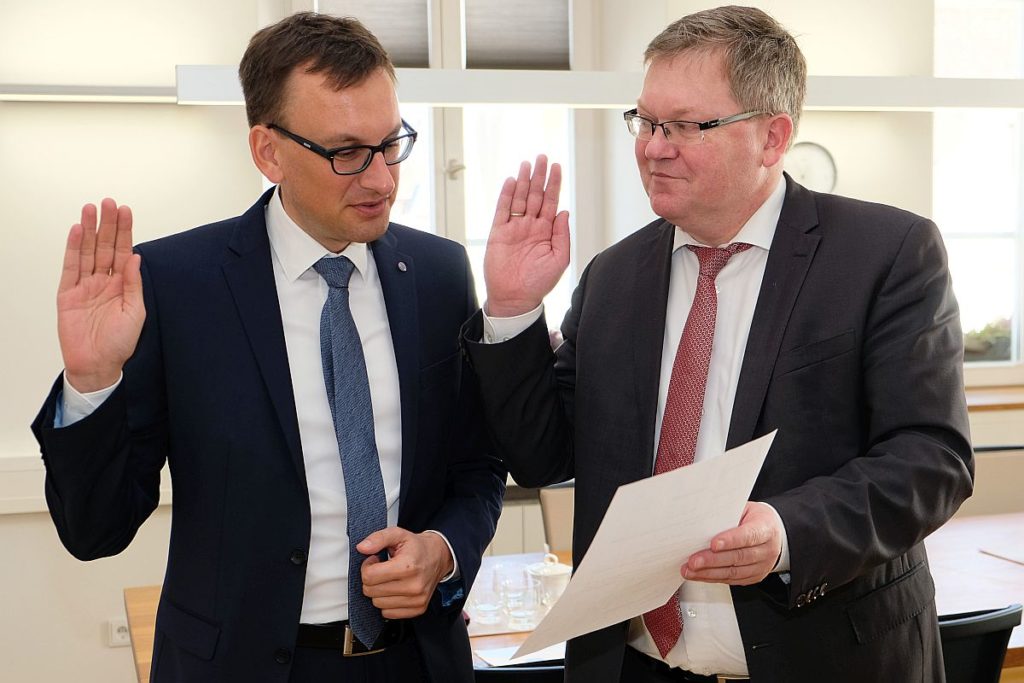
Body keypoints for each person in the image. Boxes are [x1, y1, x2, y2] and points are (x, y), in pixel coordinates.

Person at [462, 6, 973, 683]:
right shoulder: (613, 277)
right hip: (634, 665)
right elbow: (541, 452)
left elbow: (930, 459)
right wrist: (513, 308)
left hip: (825, 660)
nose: (651, 146)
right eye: (644, 121)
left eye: (685, 126)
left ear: (771, 137)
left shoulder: (886, 254)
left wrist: (788, 531)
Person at [31, 12, 505, 683]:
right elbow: (94, 530)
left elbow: (478, 466)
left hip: (418, 663)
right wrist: (92, 378)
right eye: (346, 153)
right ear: (268, 151)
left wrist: (443, 549)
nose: (382, 181)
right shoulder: (176, 285)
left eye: (391, 143)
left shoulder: (438, 274)